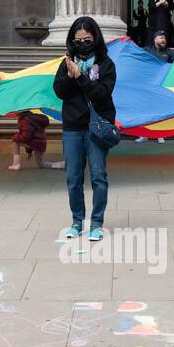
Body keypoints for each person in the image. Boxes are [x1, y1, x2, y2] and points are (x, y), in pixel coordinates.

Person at [53, 16, 117, 241]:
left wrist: (80, 77)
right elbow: (59, 91)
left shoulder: (106, 65)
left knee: (99, 177)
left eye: (87, 39)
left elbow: (101, 94)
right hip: (72, 128)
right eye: (78, 40)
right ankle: (77, 221)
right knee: (73, 177)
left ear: (95, 38)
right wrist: (71, 76)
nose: (82, 43)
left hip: (96, 129)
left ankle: (97, 222)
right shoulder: (66, 63)